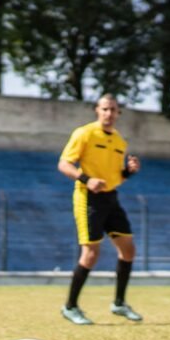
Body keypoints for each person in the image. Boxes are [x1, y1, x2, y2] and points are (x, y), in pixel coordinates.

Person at [57, 93, 143, 325]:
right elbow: (64, 164)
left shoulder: (119, 142)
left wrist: (128, 172)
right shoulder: (84, 133)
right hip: (88, 198)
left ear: (118, 113)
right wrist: (86, 179)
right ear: (97, 110)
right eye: (105, 109)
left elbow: (115, 177)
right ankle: (70, 307)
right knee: (91, 254)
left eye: (113, 110)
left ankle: (119, 303)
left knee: (128, 249)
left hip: (111, 198)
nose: (109, 113)